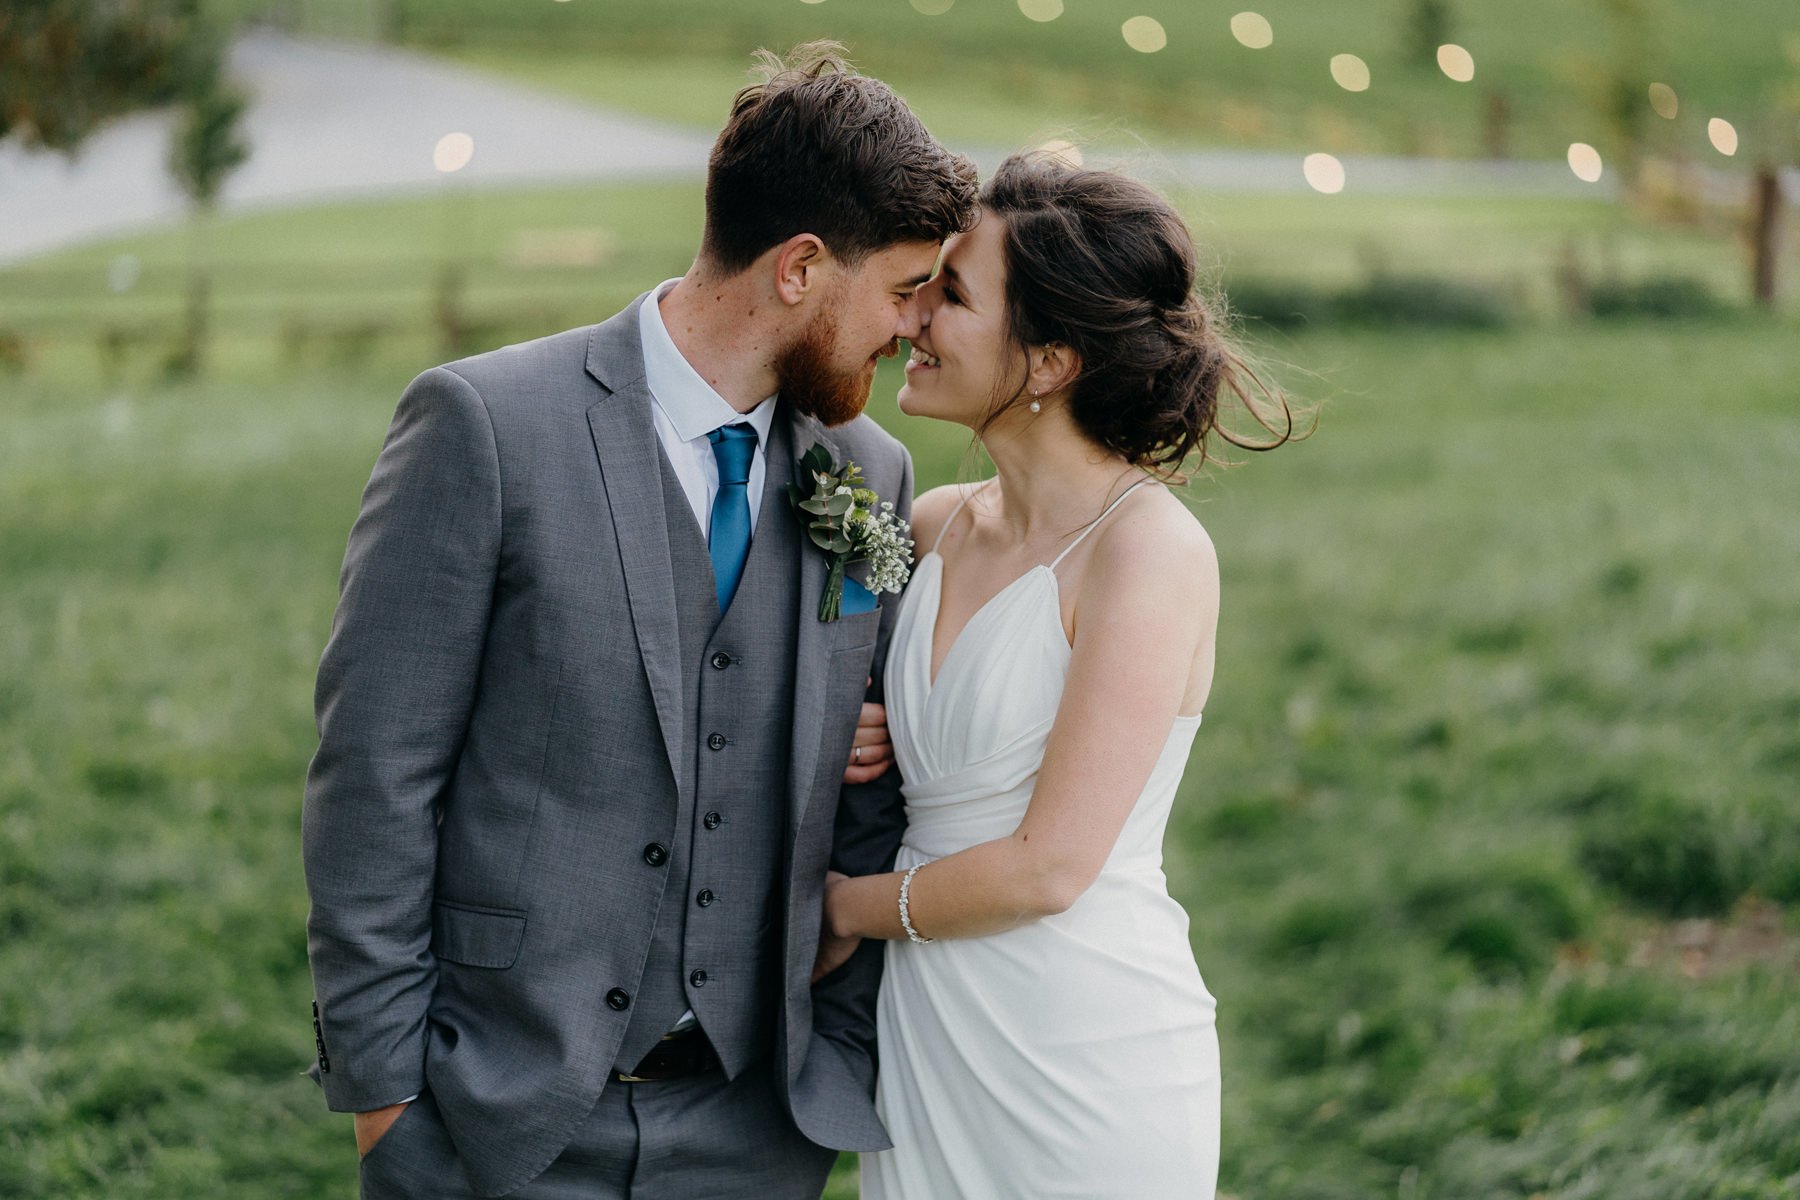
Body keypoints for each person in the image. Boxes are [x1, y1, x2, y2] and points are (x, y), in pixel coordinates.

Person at [302, 44, 976, 1199]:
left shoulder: (872, 473)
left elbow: (871, 785)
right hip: (493, 1123)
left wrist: (839, 1046)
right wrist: (386, 1104)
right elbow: (375, 775)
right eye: (907, 286)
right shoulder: (487, 426)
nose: (916, 327)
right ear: (802, 269)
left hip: (759, 1133)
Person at [816, 153, 1296, 1198]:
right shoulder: (932, 527)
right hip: (929, 1044)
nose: (914, 318)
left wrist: (842, 912)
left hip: (1080, 1049)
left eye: (953, 296)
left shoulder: (1146, 553)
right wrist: (862, 729)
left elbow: (1049, 867)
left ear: (1049, 363)